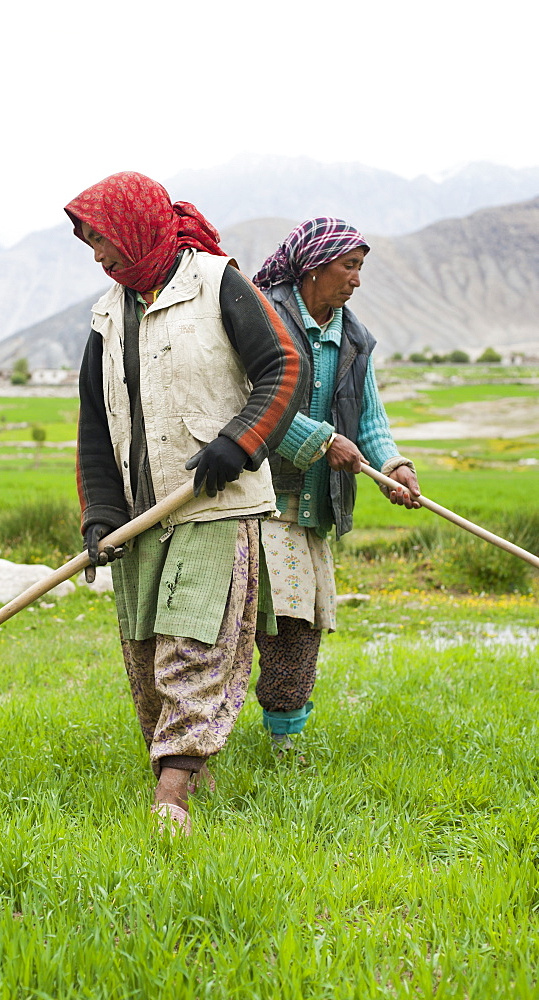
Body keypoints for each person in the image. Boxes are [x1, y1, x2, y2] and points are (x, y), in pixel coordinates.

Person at [65, 171, 307, 833]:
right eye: (89, 242)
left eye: (102, 238)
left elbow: (285, 366)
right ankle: (182, 770)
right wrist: (100, 517)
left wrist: (240, 442)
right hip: (145, 515)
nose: (96, 254)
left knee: (193, 645)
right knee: (146, 661)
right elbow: (95, 422)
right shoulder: (108, 314)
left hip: (214, 504)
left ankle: (170, 800)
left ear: (136, 227)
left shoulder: (217, 282)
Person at [251, 217, 421, 749]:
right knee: (236, 627)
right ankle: (197, 746)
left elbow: (369, 416)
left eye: (360, 268)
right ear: (314, 267)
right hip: (252, 503)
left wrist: (392, 467)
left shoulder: (353, 336)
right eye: (349, 266)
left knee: (298, 630)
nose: (356, 280)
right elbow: (245, 399)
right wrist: (322, 441)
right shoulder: (262, 317)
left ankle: (285, 744)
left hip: (312, 508)